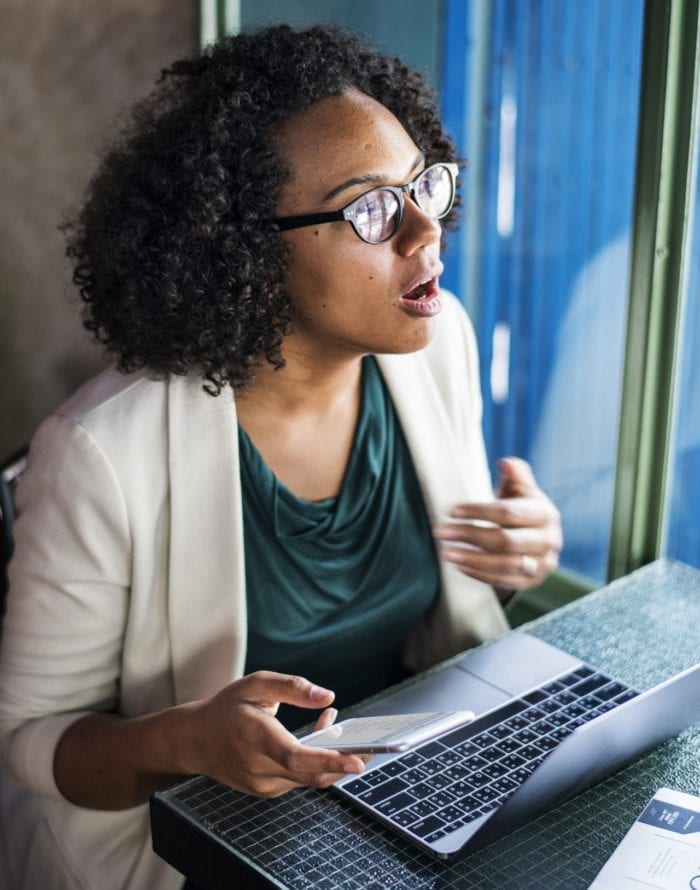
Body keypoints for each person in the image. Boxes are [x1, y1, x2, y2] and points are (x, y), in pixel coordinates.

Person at [0, 23, 562, 890]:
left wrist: (513, 560)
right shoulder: (98, 458)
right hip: (197, 851)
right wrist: (185, 741)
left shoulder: (436, 342)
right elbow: (31, 743)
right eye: (372, 208)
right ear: (247, 250)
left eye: (425, 185)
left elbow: (434, 610)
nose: (426, 232)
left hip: (396, 802)